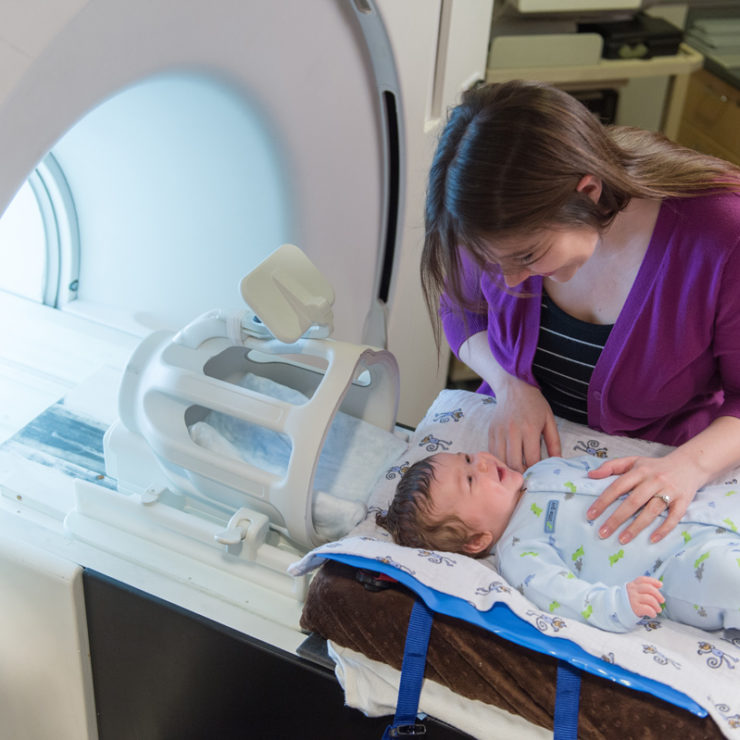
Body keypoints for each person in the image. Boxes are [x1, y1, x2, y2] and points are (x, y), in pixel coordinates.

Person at [421, 80, 740, 549]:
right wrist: (510, 384)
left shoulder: (720, 235)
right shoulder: (489, 216)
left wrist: (687, 467)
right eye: (494, 263)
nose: (509, 282)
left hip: (658, 467)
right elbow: (461, 309)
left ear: (587, 192)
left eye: (528, 256)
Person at [376, 451, 740, 633]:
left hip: (702, 506)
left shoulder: (544, 468)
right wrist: (618, 603)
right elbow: (566, 598)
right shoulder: (519, 552)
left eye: (469, 457)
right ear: (476, 541)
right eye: (470, 479)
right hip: (679, 564)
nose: (484, 463)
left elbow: (604, 469)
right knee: (727, 575)